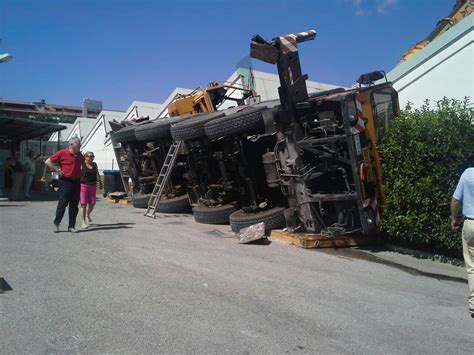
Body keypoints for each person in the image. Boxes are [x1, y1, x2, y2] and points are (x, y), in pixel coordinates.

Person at [44, 137, 85, 233]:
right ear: (72, 145)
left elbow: (84, 165)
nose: (80, 146)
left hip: (76, 181)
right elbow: (48, 161)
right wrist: (57, 170)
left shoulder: (79, 155)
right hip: (65, 181)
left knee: (74, 205)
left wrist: (82, 173)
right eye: (79, 144)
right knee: (63, 203)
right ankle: (57, 223)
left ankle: (71, 226)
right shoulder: (62, 153)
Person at [450, 167, 474, 318]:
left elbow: (456, 200)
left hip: (471, 225)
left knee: (472, 266)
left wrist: (454, 218)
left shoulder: (467, 173)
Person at [80, 151, 102, 229]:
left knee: (92, 203)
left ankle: (87, 215)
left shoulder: (94, 164)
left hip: (93, 185)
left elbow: (97, 173)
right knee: (84, 204)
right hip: (84, 186)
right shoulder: (82, 165)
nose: (91, 158)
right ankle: (83, 222)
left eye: (92, 156)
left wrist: (100, 182)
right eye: (89, 156)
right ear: (85, 157)